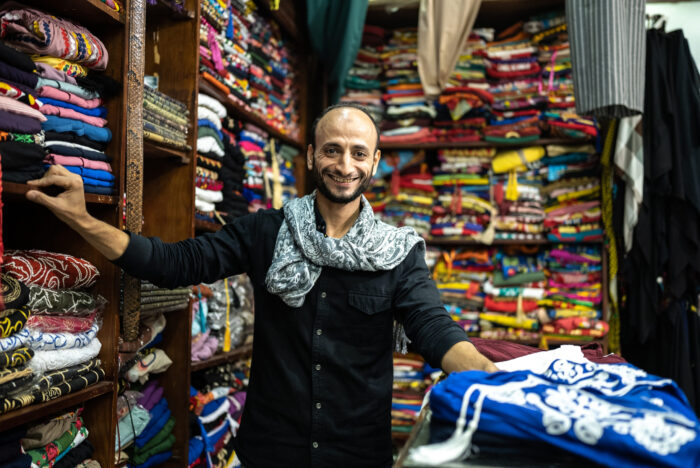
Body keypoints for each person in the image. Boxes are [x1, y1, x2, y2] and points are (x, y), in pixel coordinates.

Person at [26, 103, 497, 467]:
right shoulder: (265, 232)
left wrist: (489, 376)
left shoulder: (398, 252)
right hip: (270, 451)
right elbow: (175, 263)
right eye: (332, 150)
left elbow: (433, 329)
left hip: (357, 455)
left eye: (358, 153)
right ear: (312, 155)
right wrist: (84, 220)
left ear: (373, 162)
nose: (344, 164)